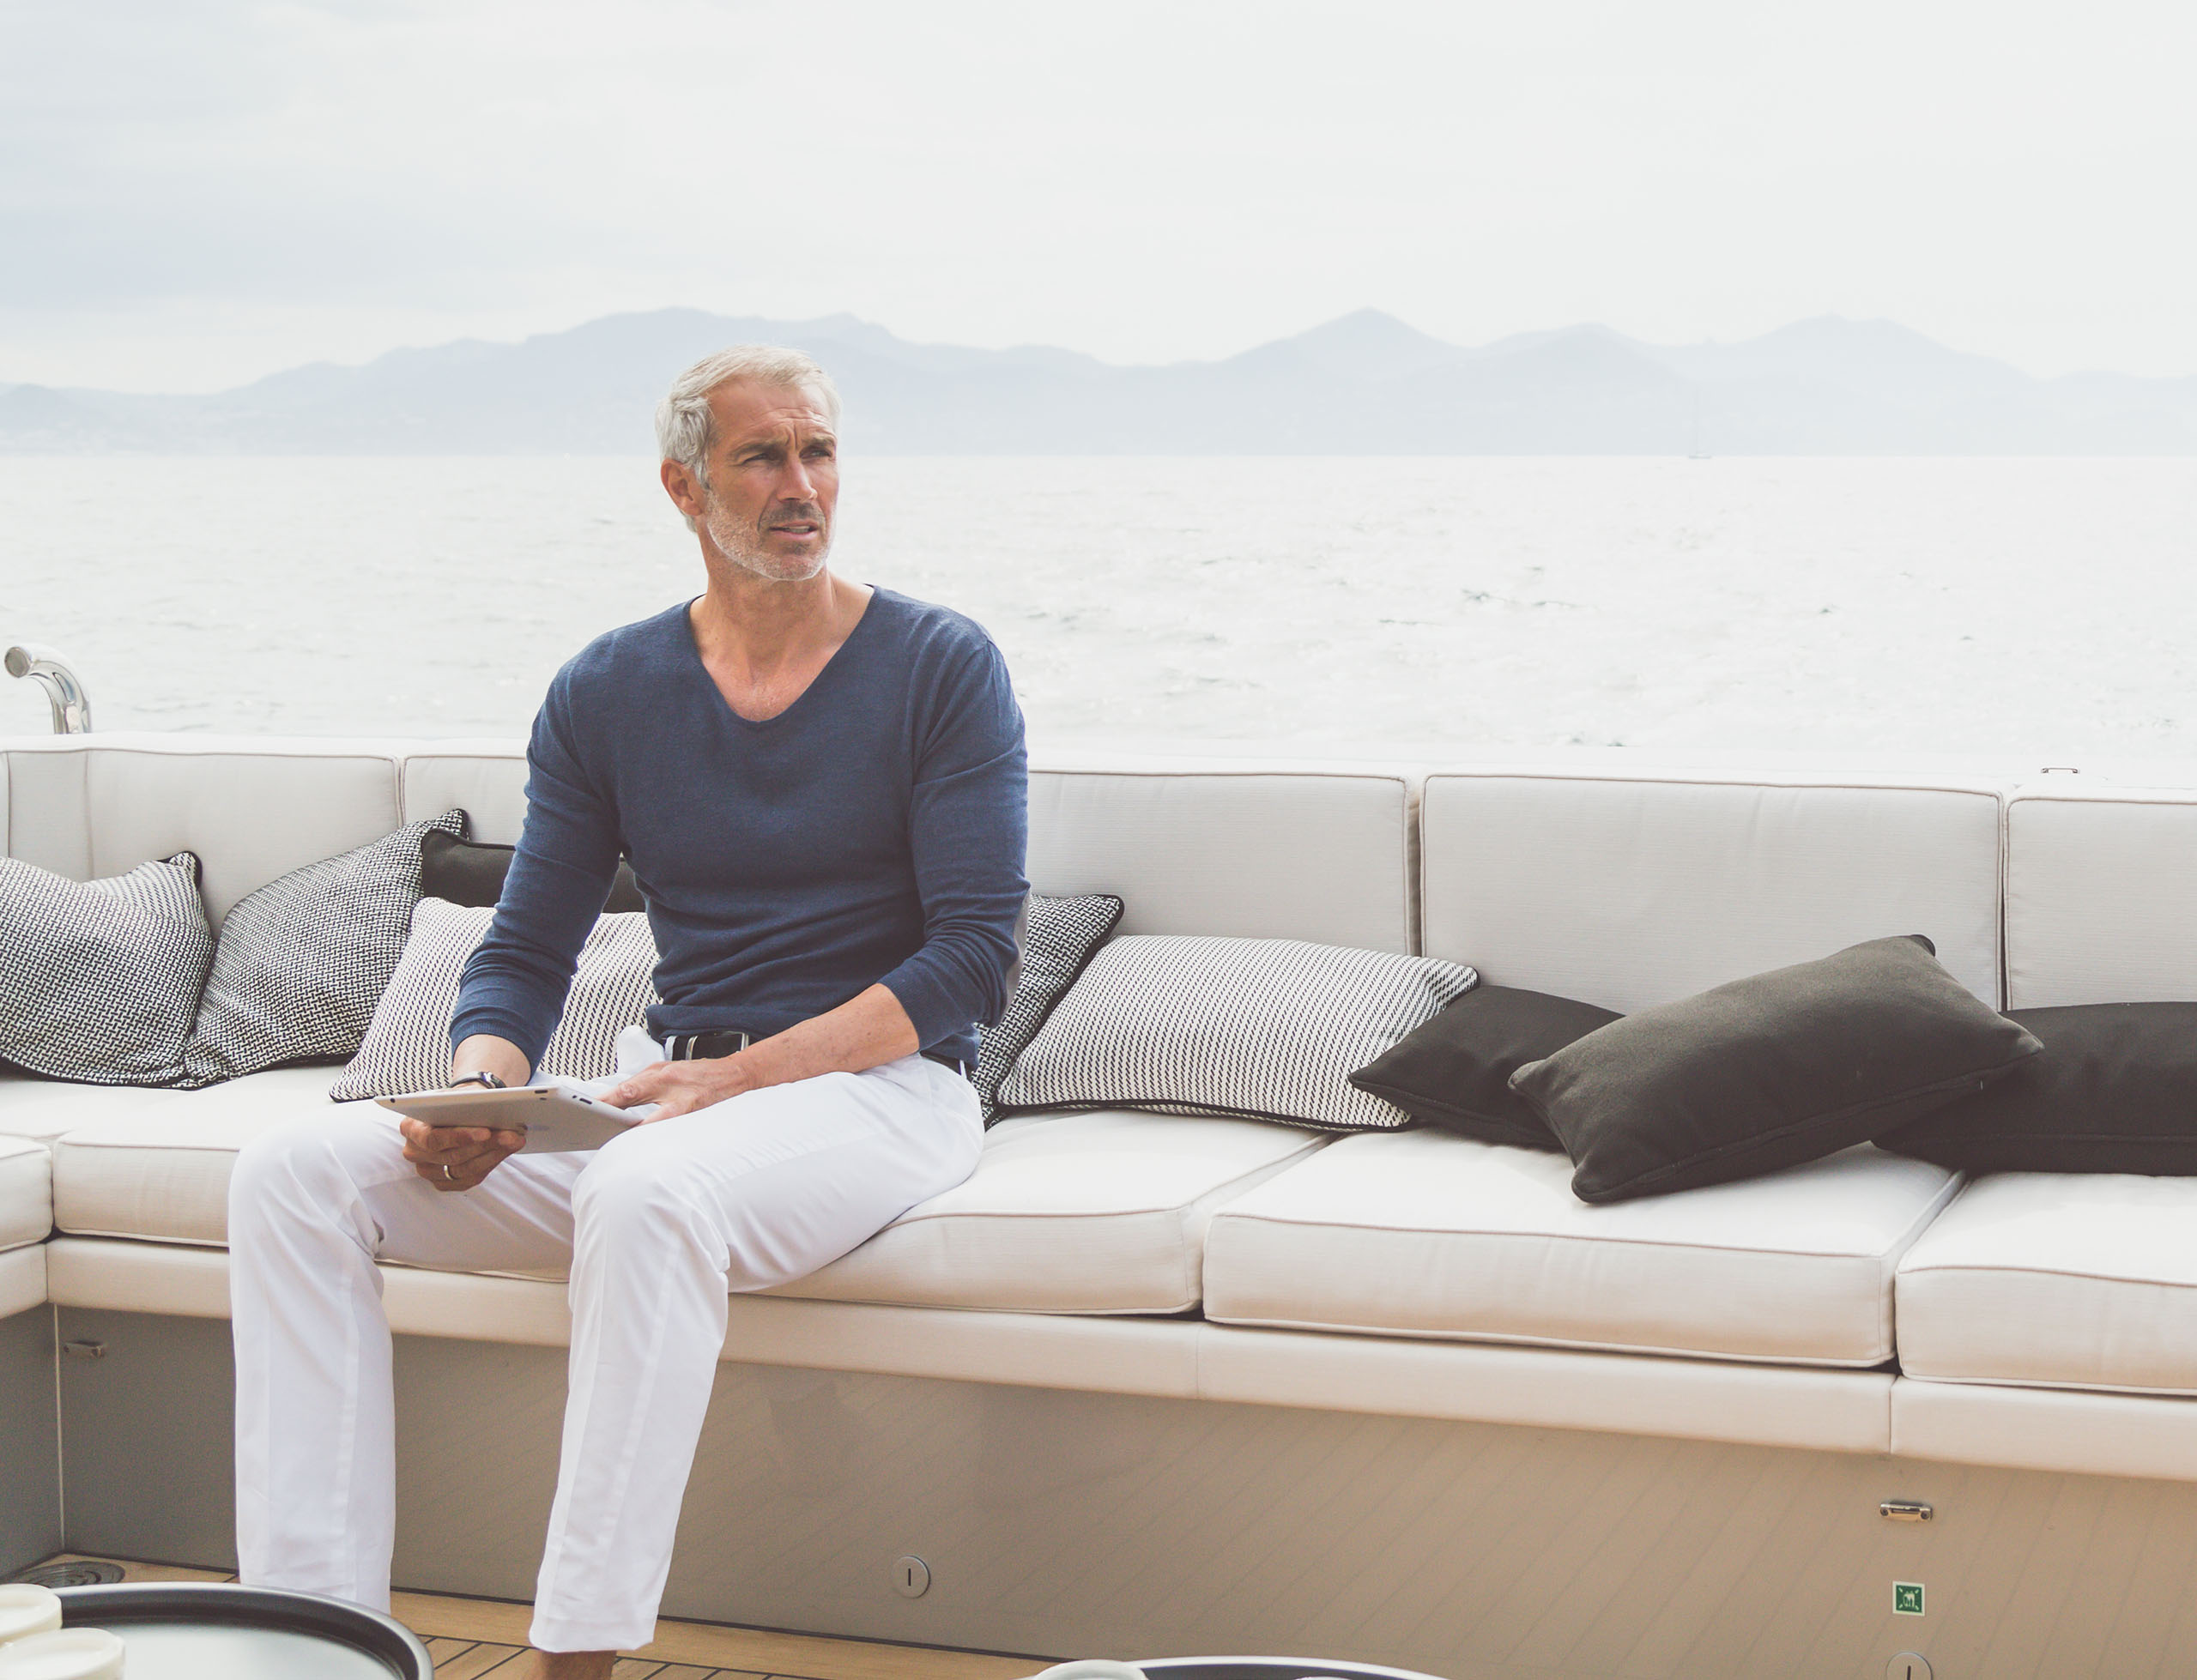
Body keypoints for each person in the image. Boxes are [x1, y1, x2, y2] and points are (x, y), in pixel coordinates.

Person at [226, 346, 1027, 1680]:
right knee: (293, 1172)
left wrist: (740, 1078)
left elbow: (974, 961)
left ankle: (574, 1659)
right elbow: (529, 943)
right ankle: (315, 1642)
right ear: (683, 485)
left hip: (883, 1095)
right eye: (763, 456)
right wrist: (482, 1090)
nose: (801, 485)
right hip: (665, 1094)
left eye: (818, 451)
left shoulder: (941, 665)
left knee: (647, 1191)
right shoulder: (606, 688)